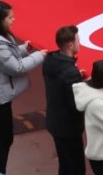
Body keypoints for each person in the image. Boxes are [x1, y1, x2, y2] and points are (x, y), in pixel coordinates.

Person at [0, 0, 47, 173]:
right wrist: (39, 56)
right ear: (0, 20)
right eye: (10, 17)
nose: (14, 20)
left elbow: (8, 55)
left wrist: (24, 49)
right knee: (4, 138)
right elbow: (16, 67)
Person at [43, 25, 86, 175]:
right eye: (78, 41)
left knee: (65, 164)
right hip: (69, 128)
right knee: (76, 168)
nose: (79, 44)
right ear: (70, 45)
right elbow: (76, 104)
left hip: (55, 122)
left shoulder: (50, 61)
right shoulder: (70, 72)